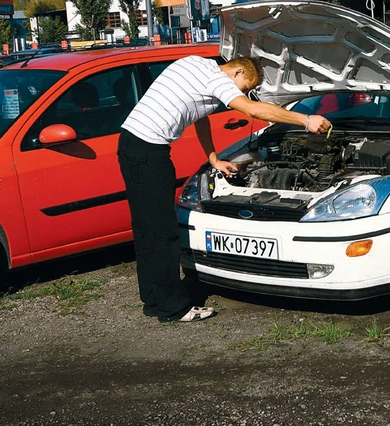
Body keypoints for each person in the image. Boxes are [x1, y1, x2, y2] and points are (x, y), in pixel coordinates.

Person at [117, 56, 330, 323]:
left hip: (131, 144)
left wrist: (213, 158)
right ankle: (173, 308)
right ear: (238, 70)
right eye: (243, 86)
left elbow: (199, 116)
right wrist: (305, 119)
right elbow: (251, 110)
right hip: (150, 153)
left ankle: (153, 300)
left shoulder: (194, 63)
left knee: (147, 229)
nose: (240, 92)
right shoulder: (215, 77)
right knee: (163, 233)